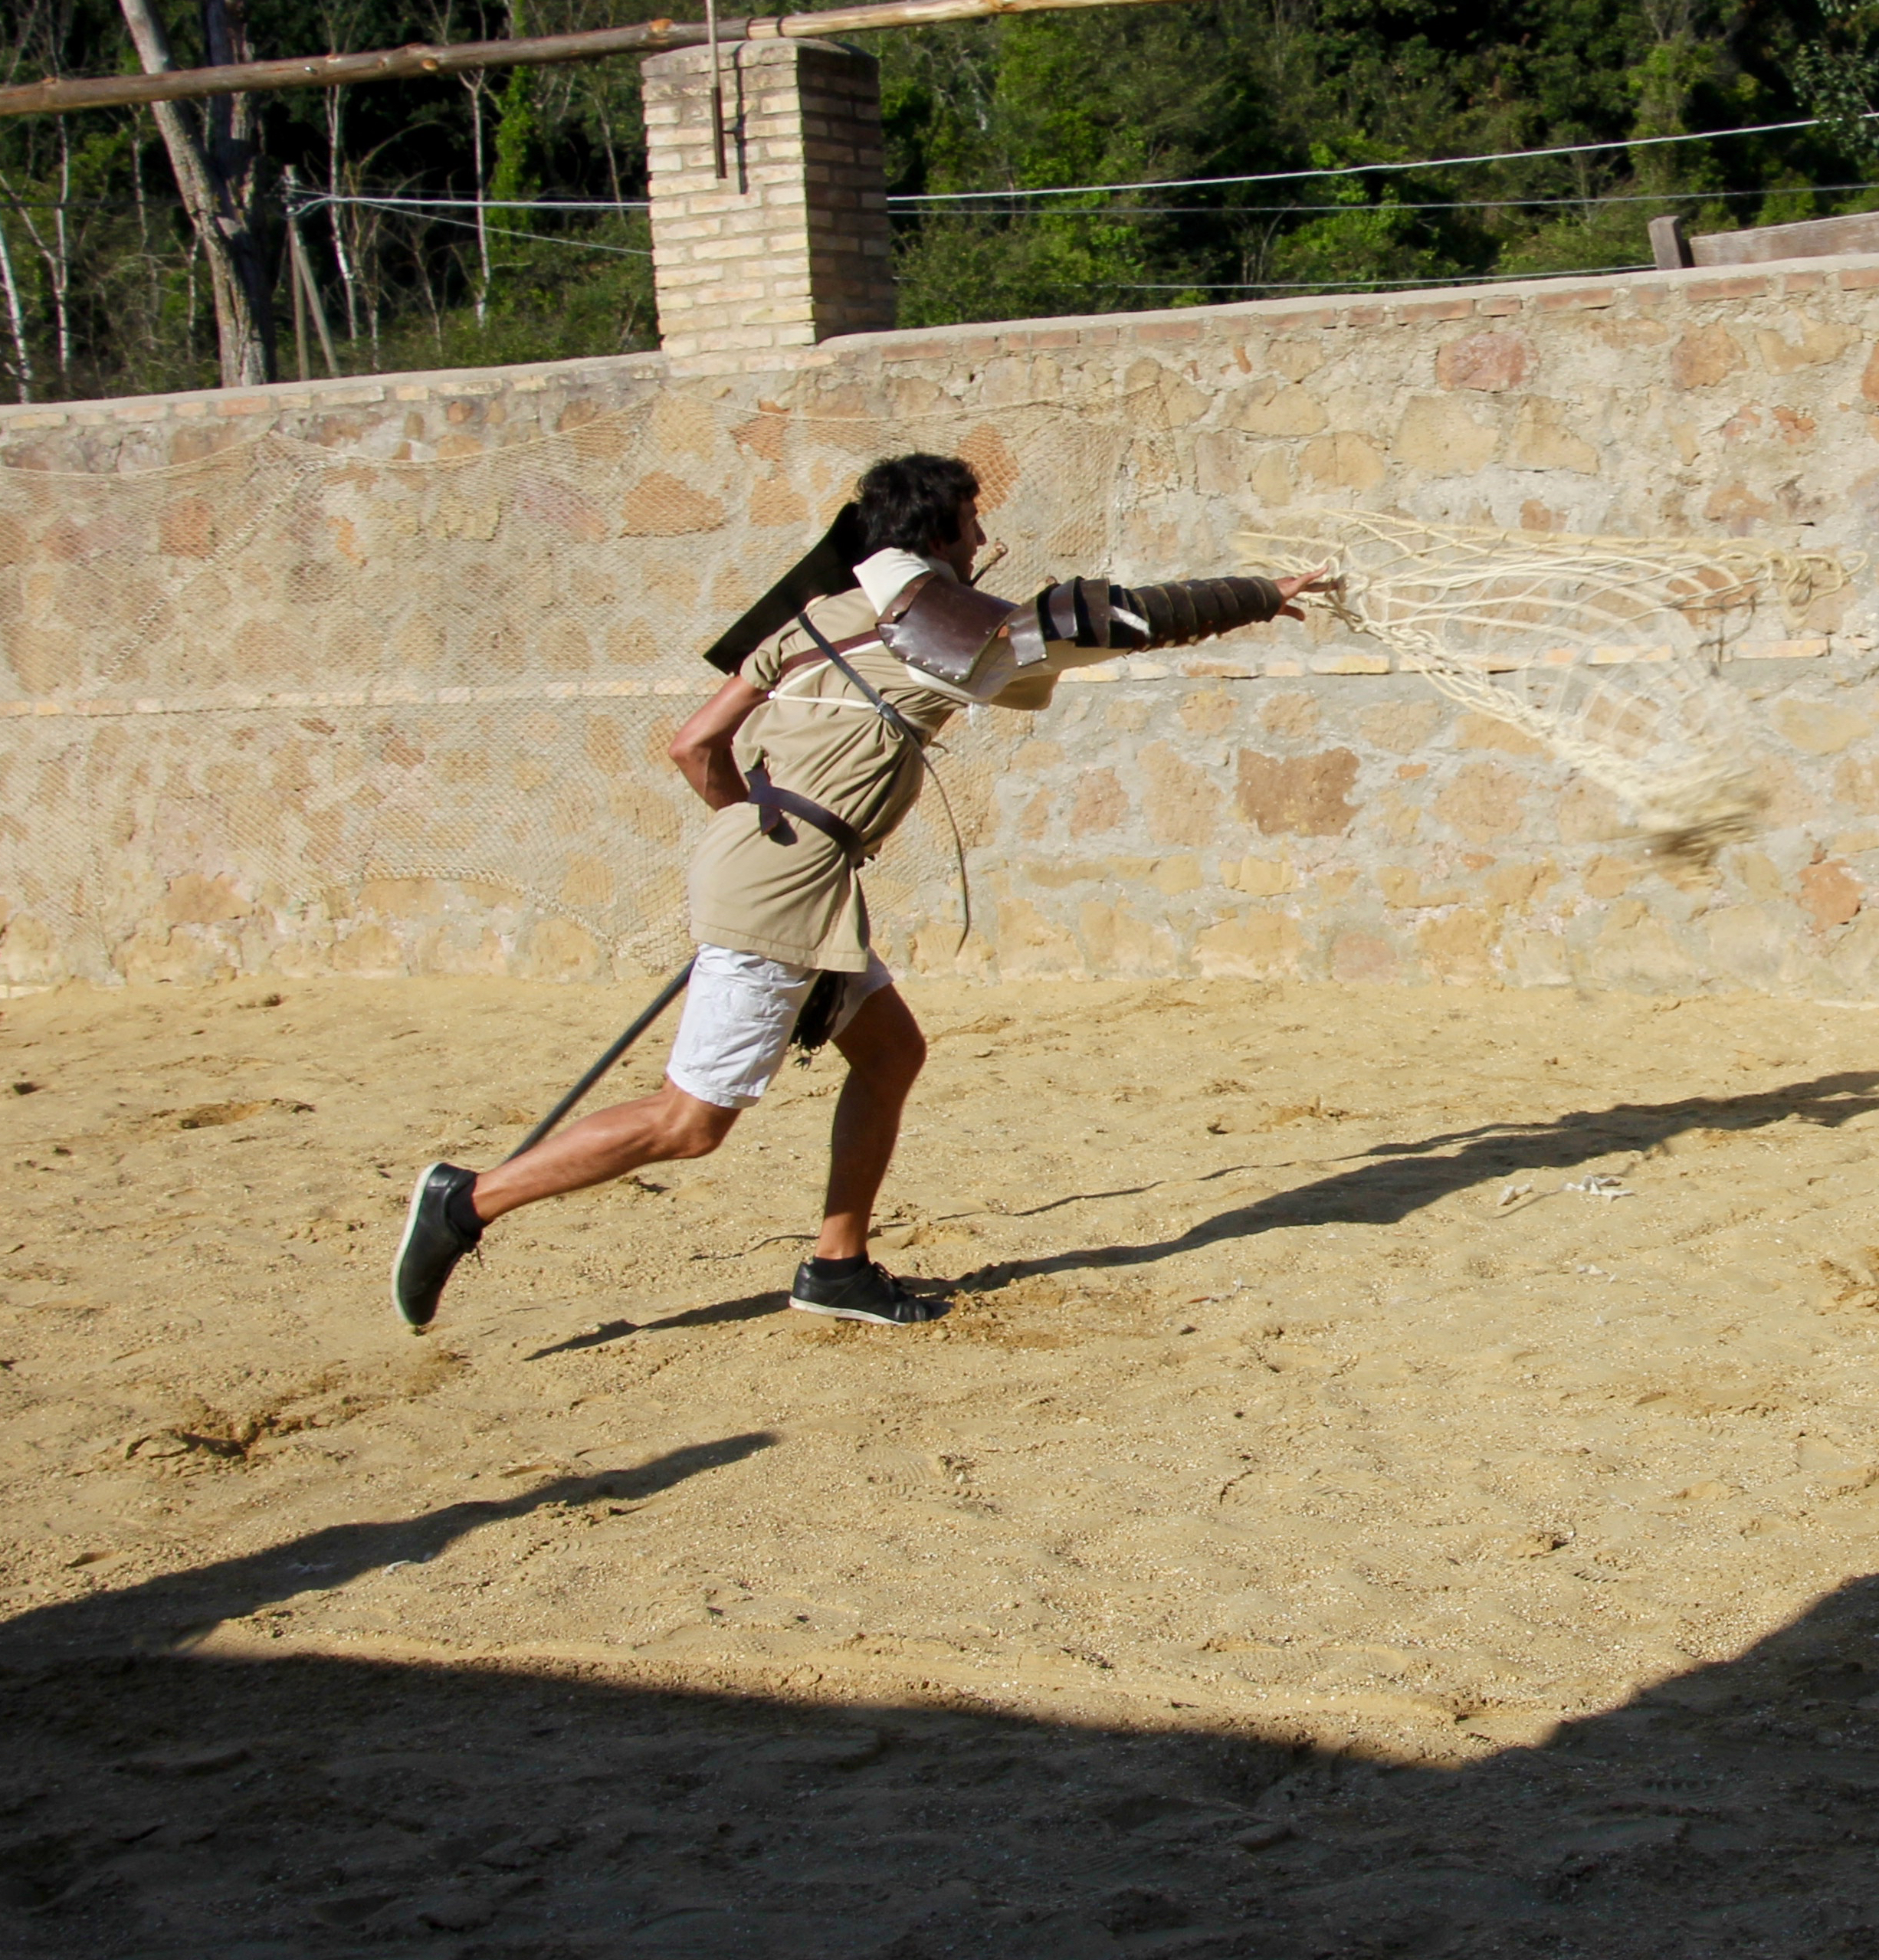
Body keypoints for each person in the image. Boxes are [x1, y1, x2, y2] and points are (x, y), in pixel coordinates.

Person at [391, 452, 1323, 1330]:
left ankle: (837, 1267)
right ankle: (467, 1201)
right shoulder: (916, 632)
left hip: (786, 873)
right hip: (783, 887)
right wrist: (1253, 595)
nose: (980, 541)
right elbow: (1088, 619)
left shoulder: (807, 621)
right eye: (970, 525)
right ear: (939, 536)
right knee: (690, 1122)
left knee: (890, 1055)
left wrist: (756, 829)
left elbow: (693, 746)